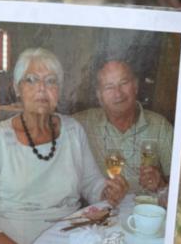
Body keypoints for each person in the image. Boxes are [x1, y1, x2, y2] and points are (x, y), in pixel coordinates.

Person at [0, 48, 128, 244]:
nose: (42, 88)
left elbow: (91, 183)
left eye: (51, 81)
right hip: (14, 236)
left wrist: (108, 192)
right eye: (31, 79)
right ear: (17, 88)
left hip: (71, 233)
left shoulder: (73, 130)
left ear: (59, 91)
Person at [74, 60, 172, 194]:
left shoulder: (160, 126)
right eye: (109, 87)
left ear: (135, 86)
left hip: (148, 209)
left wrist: (162, 184)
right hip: (105, 209)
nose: (118, 94)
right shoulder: (83, 123)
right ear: (99, 95)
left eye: (124, 83)